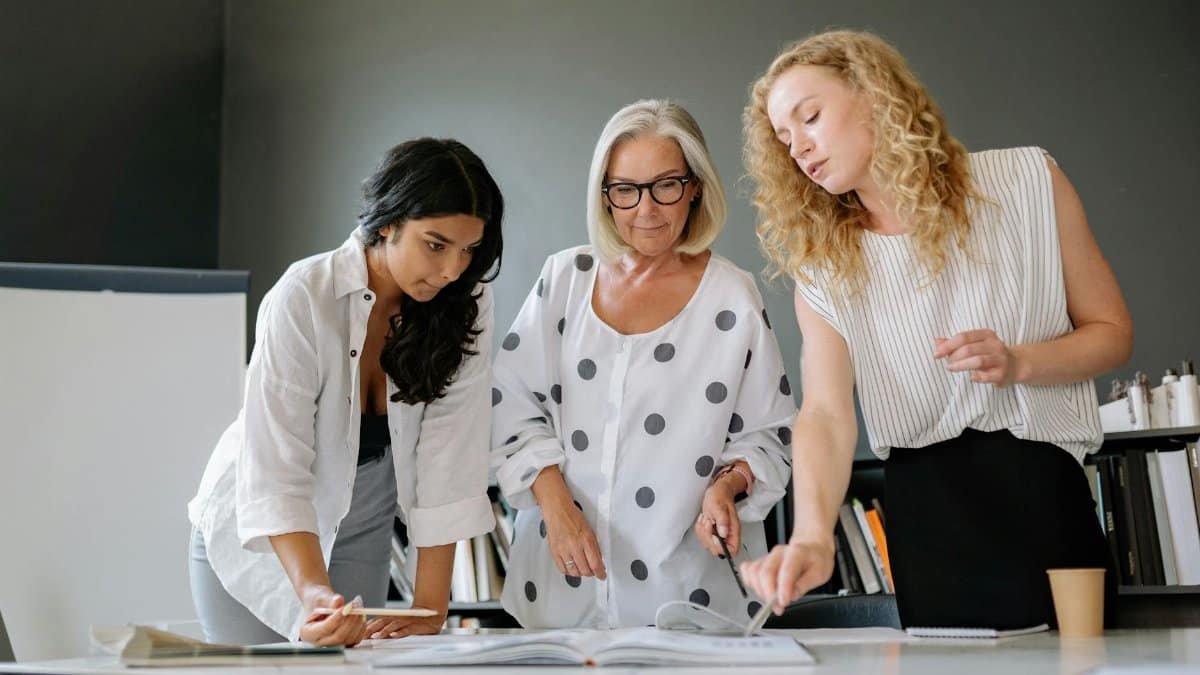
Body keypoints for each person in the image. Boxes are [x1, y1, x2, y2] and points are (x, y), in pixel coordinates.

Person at [738, 30, 1132, 630]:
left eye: (810, 117)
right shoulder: (822, 263)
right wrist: (814, 537)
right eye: (786, 139)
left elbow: (1112, 332)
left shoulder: (1026, 181)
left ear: (873, 94)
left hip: (1045, 494)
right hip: (928, 518)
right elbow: (824, 412)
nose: (800, 149)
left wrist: (1020, 364)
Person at [186, 138, 504, 645]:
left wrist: (430, 604)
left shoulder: (465, 301)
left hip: (365, 530)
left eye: (469, 250)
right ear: (387, 222)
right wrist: (313, 593)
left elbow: (451, 450)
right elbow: (275, 463)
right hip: (266, 538)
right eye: (435, 244)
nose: (451, 270)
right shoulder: (304, 294)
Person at [491, 99, 796, 628]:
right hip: (560, 590)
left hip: (689, 596)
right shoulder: (564, 278)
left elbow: (770, 434)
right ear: (604, 195)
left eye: (665, 185)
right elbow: (509, 408)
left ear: (695, 186)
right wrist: (559, 512)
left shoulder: (733, 297)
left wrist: (726, 488)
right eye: (625, 190)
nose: (646, 209)